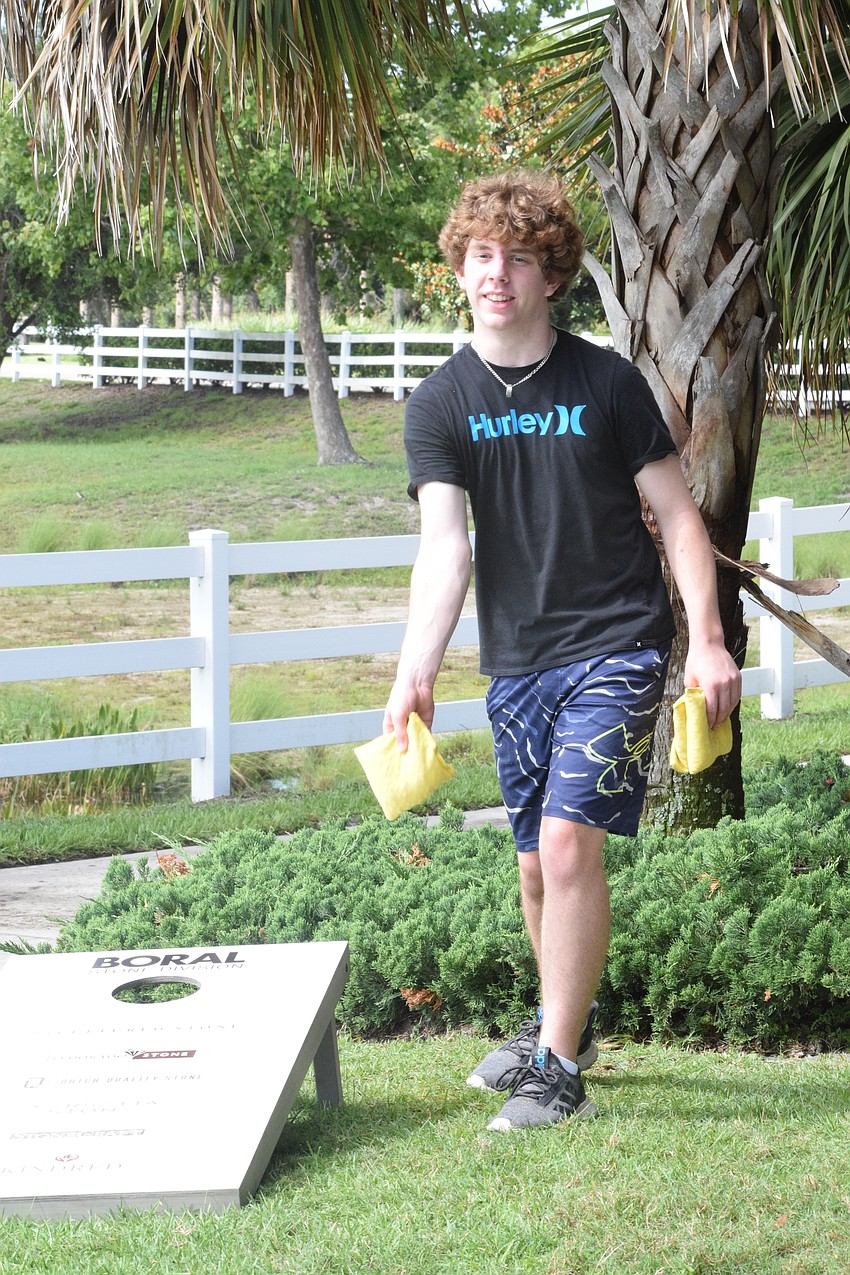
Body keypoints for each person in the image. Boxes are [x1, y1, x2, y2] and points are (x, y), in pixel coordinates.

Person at [383, 169, 741, 1131]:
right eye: (481, 255)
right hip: (517, 661)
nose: (496, 273)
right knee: (536, 864)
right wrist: (416, 667)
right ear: (461, 267)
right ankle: (562, 1025)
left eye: (519, 258)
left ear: (551, 275)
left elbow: (678, 516)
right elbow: (445, 547)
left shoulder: (606, 383)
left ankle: (556, 1067)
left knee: (570, 841)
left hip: (619, 644)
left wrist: (706, 640)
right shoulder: (440, 403)